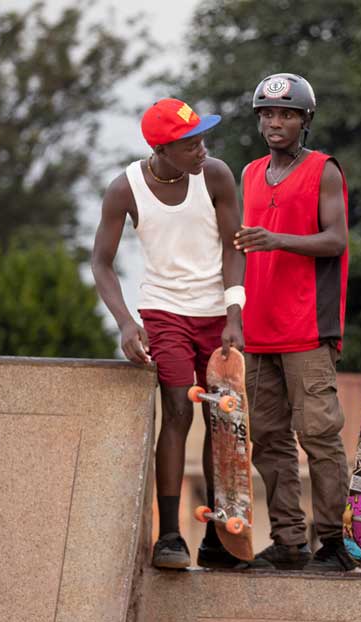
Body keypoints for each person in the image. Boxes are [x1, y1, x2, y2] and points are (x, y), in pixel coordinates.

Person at [91, 98, 245, 569]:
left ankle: (218, 536)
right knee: (178, 411)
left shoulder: (216, 175)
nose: (202, 149)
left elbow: (234, 247)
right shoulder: (126, 189)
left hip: (217, 313)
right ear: (161, 148)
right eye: (190, 143)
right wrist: (124, 321)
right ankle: (171, 536)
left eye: (202, 138)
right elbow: (101, 261)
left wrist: (234, 313)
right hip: (164, 312)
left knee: (222, 421)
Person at [233, 73, 354, 572]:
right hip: (258, 330)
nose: (275, 122)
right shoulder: (249, 172)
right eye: (267, 114)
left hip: (307, 328)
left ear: (305, 120)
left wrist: (279, 240)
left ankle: (333, 542)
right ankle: (288, 541)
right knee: (269, 441)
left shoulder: (323, 170)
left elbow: (336, 240)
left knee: (319, 436)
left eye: (286, 114)